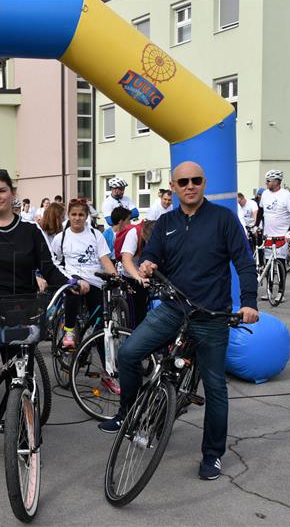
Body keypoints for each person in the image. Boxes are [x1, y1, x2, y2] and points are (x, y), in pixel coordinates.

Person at [99, 161, 259, 482]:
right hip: (173, 308)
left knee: (215, 388)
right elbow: (150, 255)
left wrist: (250, 303)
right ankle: (129, 413)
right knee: (129, 354)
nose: (190, 186)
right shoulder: (167, 221)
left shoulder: (223, 219)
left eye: (196, 180)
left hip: (211, 315)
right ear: (173, 186)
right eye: (183, 181)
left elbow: (244, 262)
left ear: (203, 183)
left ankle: (212, 455)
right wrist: (146, 264)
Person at [0, 169, 87, 428]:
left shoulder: (30, 231)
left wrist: (72, 283)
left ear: (12, 194)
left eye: (2, 191)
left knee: (22, 355)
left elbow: (49, 267)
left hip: (18, 303)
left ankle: (19, 409)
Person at [50, 199, 118, 350]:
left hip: (95, 281)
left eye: (81, 214)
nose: (77, 218)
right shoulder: (60, 238)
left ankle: (108, 369)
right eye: (73, 214)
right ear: (68, 215)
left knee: (101, 326)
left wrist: (115, 276)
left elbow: (105, 259)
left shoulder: (95, 235)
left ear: (87, 216)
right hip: (73, 278)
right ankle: (68, 332)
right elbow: (55, 262)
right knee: (73, 291)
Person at [254, 169, 290, 300]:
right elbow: (261, 211)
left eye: (268, 181)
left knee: (280, 262)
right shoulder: (265, 194)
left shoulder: (286, 195)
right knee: (268, 263)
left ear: (276, 182)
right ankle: (269, 290)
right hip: (268, 234)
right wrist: (256, 225)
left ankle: (280, 292)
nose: (266, 183)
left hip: (281, 235)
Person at [118, 219, 157, 327]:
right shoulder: (134, 234)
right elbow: (126, 259)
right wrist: (138, 278)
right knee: (136, 314)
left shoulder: (160, 234)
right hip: (131, 275)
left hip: (149, 273)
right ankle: (132, 336)